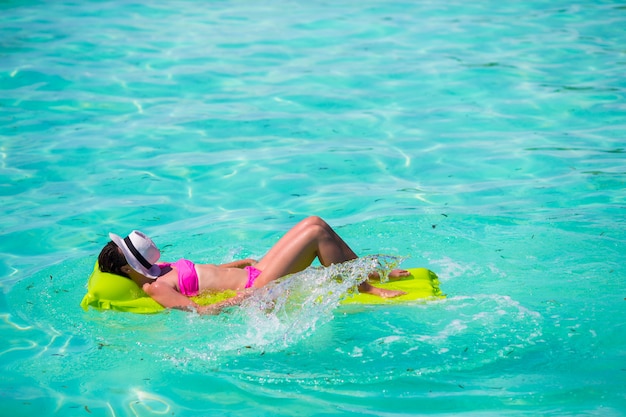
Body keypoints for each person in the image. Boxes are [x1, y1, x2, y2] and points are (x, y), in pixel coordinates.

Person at [98, 216, 408, 314]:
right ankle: (367, 287)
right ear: (127, 269)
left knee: (316, 222)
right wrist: (245, 298)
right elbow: (202, 312)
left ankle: (368, 272)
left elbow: (204, 274)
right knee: (315, 234)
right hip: (254, 285)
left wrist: (238, 263)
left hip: (250, 272)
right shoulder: (157, 288)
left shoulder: (157, 268)